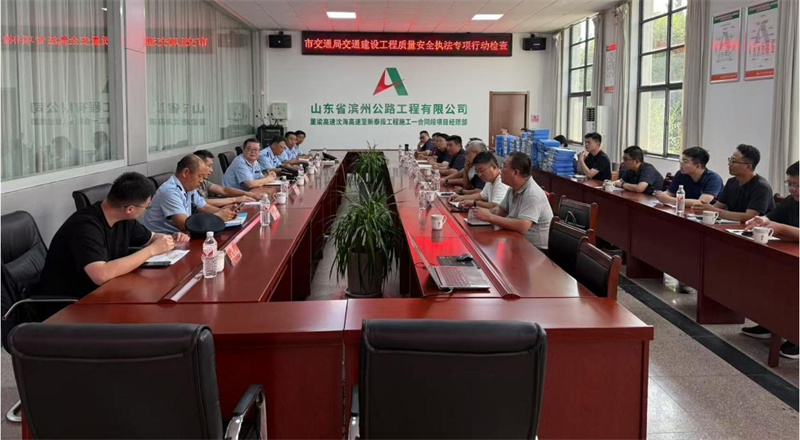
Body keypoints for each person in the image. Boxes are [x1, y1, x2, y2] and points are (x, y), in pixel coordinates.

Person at [37, 172, 189, 300]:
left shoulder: (123, 218)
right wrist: (152, 250)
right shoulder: (85, 226)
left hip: (105, 292)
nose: (146, 210)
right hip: (70, 304)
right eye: (146, 207)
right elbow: (101, 274)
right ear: (130, 209)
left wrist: (170, 238)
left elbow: (152, 237)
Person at [740, 161, 799, 358]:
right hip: (791, 257)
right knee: (768, 278)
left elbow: (783, 227)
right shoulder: (792, 201)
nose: (793, 189)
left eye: (798, 185)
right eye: (790, 184)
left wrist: (780, 228)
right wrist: (762, 220)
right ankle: (771, 324)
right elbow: (772, 217)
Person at [474, 152, 554, 248]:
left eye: (504, 166)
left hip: (535, 249)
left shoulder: (532, 194)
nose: (501, 170)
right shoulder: (513, 188)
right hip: (516, 239)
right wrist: (480, 213)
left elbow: (523, 226)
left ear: (515, 172)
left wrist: (489, 217)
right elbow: (501, 210)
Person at [142, 154, 236, 234]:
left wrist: (226, 212)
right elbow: (184, 224)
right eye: (199, 176)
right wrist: (218, 216)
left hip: (182, 237)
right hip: (164, 241)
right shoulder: (170, 191)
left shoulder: (189, 187)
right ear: (185, 172)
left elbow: (203, 207)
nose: (202, 181)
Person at [691, 144, 774, 222]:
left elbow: (750, 217)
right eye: (730, 160)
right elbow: (718, 206)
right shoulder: (731, 182)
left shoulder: (761, 187)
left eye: (734, 161)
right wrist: (705, 208)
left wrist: (714, 211)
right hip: (733, 226)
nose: (729, 164)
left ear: (748, 166)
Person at [654, 146, 724, 208]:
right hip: (687, 211)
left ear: (697, 166)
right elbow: (670, 193)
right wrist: (660, 195)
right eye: (682, 160)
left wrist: (670, 200)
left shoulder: (714, 179)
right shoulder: (681, 174)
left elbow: (701, 203)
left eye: (685, 161)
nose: (681, 163)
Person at [193, 150, 259, 207]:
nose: (211, 170)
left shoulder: (204, 182)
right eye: (209, 166)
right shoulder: (191, 184)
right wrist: (235, 200)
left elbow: (224, 190)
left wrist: (248, 194)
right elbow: (202, 203)